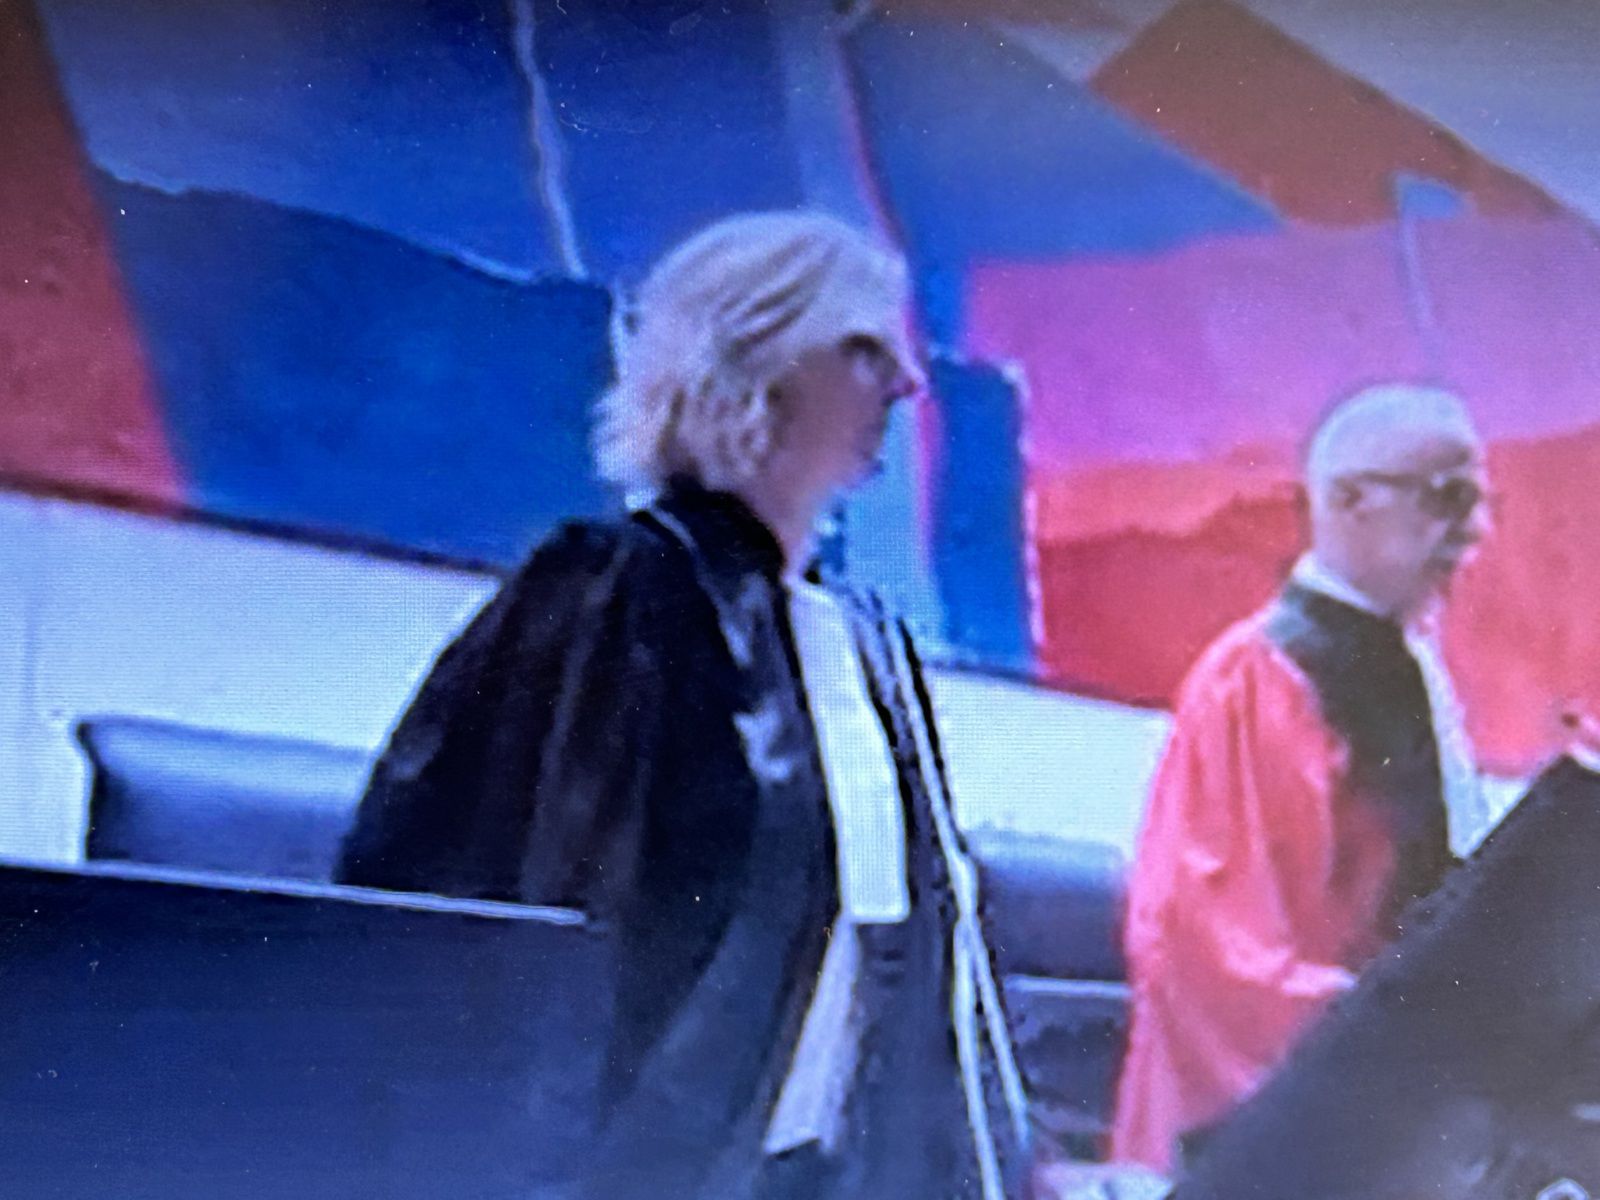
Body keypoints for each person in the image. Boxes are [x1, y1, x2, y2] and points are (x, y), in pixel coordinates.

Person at [336, 212, 1028, 1200]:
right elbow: (502, 944)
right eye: (865, 349)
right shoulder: (616, 595)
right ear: (761, 361)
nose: (907, 382)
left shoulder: (861, 645)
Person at [1110, 384, 1496, 1172]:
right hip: (1278, 1136)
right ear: (1349, 500)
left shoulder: (1413, 668)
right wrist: (1409, 1040)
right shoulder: (1255, 682)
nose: (1476, 531)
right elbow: (1213, 957)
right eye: (1448, 498)